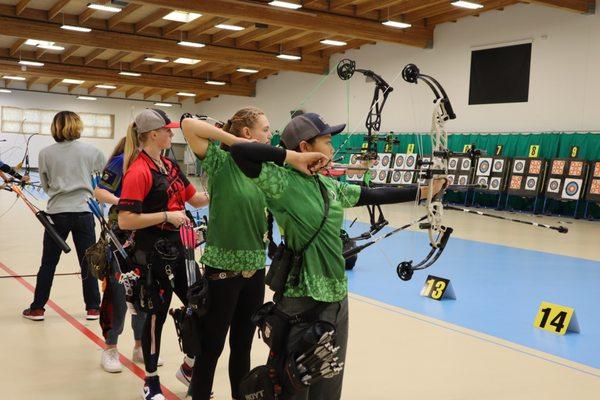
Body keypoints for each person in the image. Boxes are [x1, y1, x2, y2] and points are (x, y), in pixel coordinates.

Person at [230, 113, 446, 400]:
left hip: (336, 298)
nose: (333, 148)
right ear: (306, 147)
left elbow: (372, 195)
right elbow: (239, 151)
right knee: (294, 387)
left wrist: (422, 191)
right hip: (301, 300)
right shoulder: (280, 182)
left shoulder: (328, 184)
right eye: (328, 141)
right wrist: (291, 158)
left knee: (329, 385)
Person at [180, 107, 272, 400]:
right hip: (223, 271)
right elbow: (188, 125)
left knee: (242, 345)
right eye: (266, 129)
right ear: (248, 133)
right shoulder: (221, 162)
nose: (270, 135)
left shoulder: (265, 169)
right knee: (212, 345)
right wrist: (235, 143)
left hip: (255, 269)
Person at [117, 108, 209, 400]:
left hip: (181, 251)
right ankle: (151, 380)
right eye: (167, 130)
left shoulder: (170, 166)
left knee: (200, 308)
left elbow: (196, 198)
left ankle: (189, 366)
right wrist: (166, 215)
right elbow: (126, 220)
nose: (172, 133)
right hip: (153, 256)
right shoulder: (138, 170)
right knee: (156, 318)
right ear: (153, 134)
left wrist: (225, 178)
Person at [22, 111, 105, 321]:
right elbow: (104, 178)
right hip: (84, 212)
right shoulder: (92, 151)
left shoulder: (46, 153)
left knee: (48, 262)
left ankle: (38, 308)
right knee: (88, 261)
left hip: (57, 213)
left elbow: (46, 184)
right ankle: (94, 307)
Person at [94, 137, 156, 373]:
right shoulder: (123, 161)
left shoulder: (158, 164)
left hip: (147, 234)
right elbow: (99, 191)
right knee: (119, 291)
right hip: (121, 234)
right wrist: (123, 201)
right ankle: (110, 348)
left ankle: (139, 346)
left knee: (144, 291)